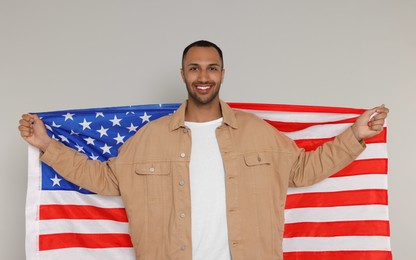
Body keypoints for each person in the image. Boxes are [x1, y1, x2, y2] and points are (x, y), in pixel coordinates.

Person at [18, 40, 389, 260]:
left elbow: (305, 169)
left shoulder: (257, 132)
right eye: (194, 68)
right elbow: (104, 178)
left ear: (223, 74)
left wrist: (355, 134)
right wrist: (47, 146)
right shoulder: (150, 138)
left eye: (212, 68)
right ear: (183, 74)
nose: (203, 76)